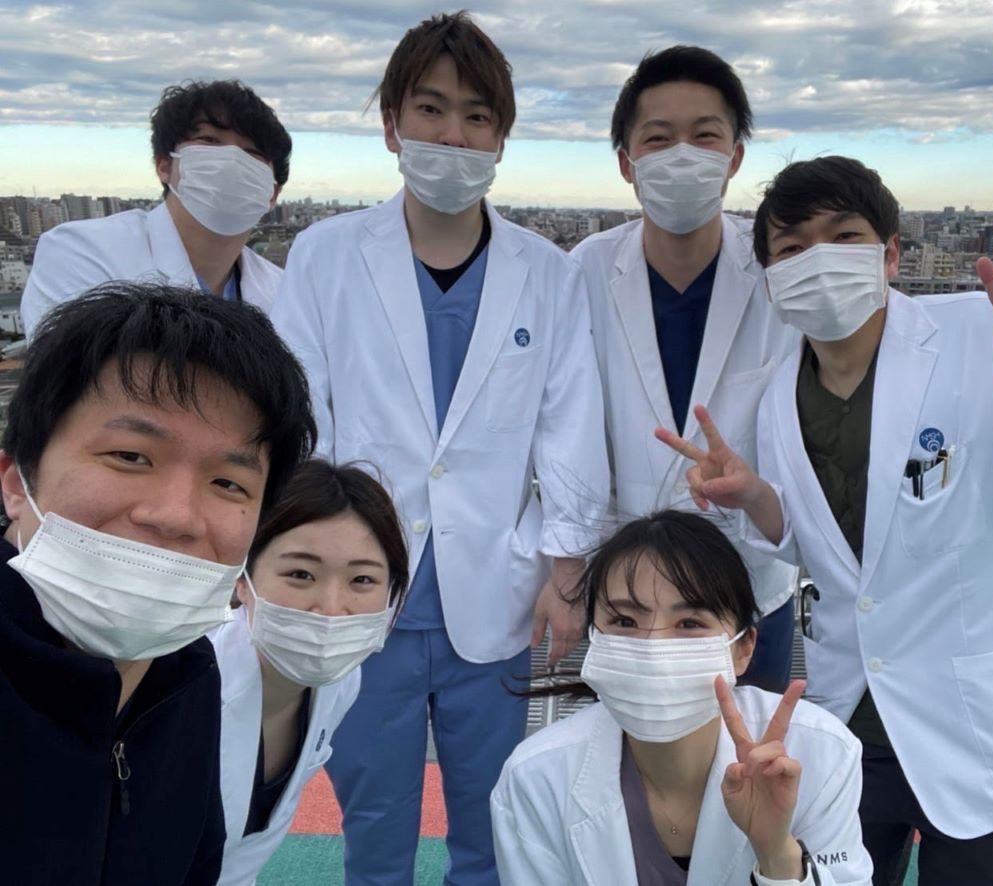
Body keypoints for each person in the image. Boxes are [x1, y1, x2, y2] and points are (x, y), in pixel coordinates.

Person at [658, 156, 993, 884]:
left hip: (991, 718)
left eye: (844, 236)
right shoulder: (775, 394)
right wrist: (754, 498)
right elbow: (826, 547)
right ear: (772, 278)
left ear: (890, 254)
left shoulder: (985, 337)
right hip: (854, 713)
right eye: (792, 248)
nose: (818, 260)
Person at [271, 12, 609, 884]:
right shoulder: (326, 255)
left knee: (494, 821)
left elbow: (570, 426)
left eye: (476, 116)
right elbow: (301, 420)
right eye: (430, 109)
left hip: (497, 591)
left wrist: (567, 571)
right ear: (392, 125)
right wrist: (305, 564)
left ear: (501, 139)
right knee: (373, 818)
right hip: (361, 591)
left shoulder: (547, 271)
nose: (453, 135)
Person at [0, 282, 316, 885]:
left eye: (229, 484)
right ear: (17, 482)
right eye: (130, 456)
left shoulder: (188, 676)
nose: (175, 515)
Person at [572, 46, 799, 693]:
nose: (681, 155)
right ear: (627, 162)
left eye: (704, 136)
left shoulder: (781, 269)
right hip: (627, 594)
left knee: (749, 747)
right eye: (658, 137)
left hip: (750, 586)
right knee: (630, 753)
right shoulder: (583, 271)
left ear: (734, 157)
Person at [491, 510, 872, 886]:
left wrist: (778, 855)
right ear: (594, 637)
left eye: (690, 624)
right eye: (624, 621)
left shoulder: (821, 754)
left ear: (743, 649)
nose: (654, 650)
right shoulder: (536, 777)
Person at [212, 459, 411, 885]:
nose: (331, 609)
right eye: (300, 574)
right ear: (242, 579)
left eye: (362, 580)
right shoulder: (183, 685)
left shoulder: (339, 682)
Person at [22, 79, 290, 336]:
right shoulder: (82, 252)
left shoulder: (284, 289)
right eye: (209, 141)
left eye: (253, 154)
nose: (232, 161)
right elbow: (81, 363)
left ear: (273, 193)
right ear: (164, 165)